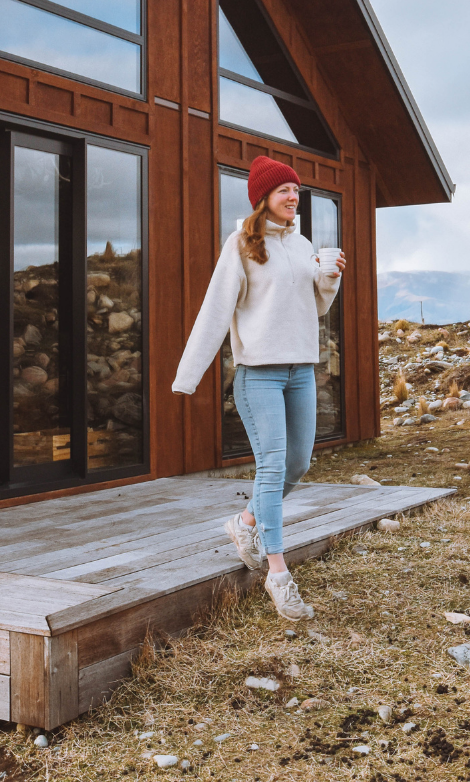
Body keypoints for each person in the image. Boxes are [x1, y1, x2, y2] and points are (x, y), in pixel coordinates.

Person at [172, 156, 345, 621]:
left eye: (296, 189)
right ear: (264, 199)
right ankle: (278, 574)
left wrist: (329, 278)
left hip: (301, 371)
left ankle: (246, 522)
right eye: (285, 190)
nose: (294, 197)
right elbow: (215, 309)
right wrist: (188, 377)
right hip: (259, 375)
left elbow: (315, 307)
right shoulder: (241, 245)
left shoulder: (303, 243)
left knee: (298, 463)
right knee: (271, 466)